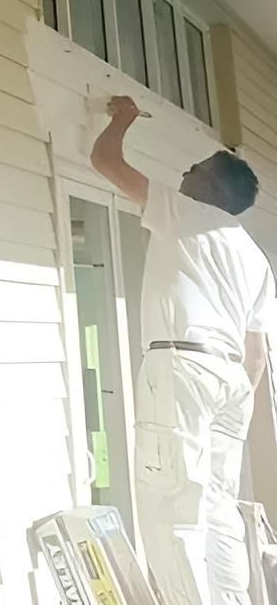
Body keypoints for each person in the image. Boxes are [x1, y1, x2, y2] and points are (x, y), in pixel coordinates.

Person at [91, 95, 275, 605]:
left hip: (183, 365)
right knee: (217, 510)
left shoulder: (186, 210)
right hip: (233, 381)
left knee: (171, 507)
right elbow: (256, 355)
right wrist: (233, 404)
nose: (185, 172)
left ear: (211, 188)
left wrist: (121, 118)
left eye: (195, 168)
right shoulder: (256, 260)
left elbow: (106, 163)